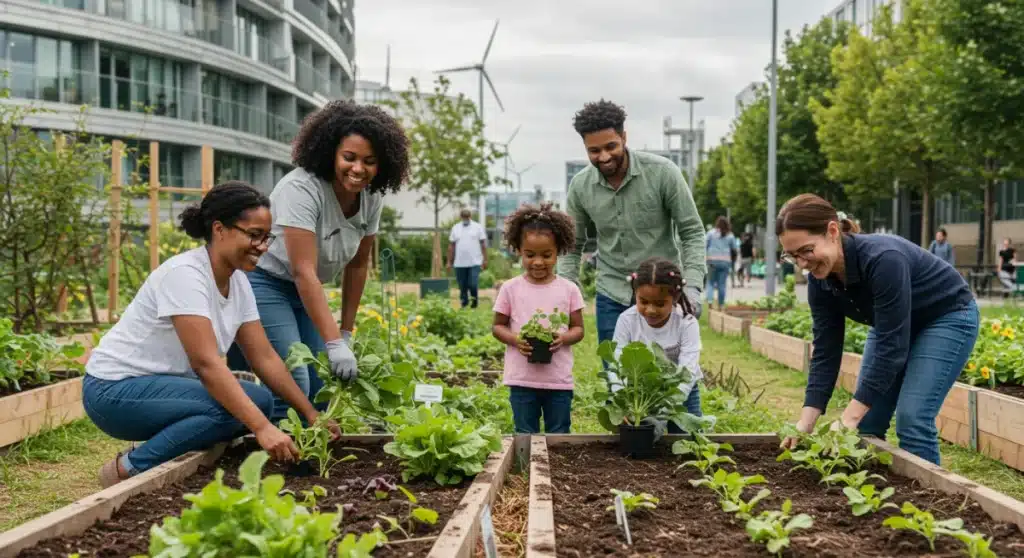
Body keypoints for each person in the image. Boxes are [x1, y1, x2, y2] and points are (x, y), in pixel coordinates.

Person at [83, 183, 337, 487]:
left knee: (258, 402)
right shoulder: (186, 275)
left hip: (159, 386)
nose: (263, 246)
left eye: (266, 237)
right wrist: (262, 428)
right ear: (219, 229)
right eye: (254, 235)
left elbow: (265, 358)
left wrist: (311, 414)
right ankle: (130, 468)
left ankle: (172, 453)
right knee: (238, 409)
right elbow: (206, 364)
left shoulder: (239, 281)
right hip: (113, 391)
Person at [227, 100, 410, 416]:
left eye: (369, 161)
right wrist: (334, 343)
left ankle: (300, 449)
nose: (358, 169)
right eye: (349, 158)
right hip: (265, 282)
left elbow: (357, 265)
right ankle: (279, 456)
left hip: (305, 291)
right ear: (331, 153)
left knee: (323, 380)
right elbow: (303, 270)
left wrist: (346, 332)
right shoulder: (301, 189)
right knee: (293, 379)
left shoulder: (372, 197)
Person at [777, 194, 978, 465]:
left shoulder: (883, 259)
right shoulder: (820, 280)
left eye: (806, 250)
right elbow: (826, 349)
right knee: (867, 421)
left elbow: (891, 345)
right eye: (793, 256)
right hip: (892, 327)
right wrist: (805, 421)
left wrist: (847, 419)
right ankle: (873, 498)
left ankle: (928, 504)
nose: (802, 264)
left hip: (946, 318)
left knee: (912, 418)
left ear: (832, 231)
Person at [558, 99, 706, 352]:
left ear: (624, 137)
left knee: (667, 375)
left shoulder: (663, 173)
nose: (603, 157)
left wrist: (692, 286)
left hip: (662, 292)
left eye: (611, 146)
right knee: (616, 376)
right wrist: (566, 290)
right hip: (612, 293)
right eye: (594, 151)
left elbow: (691, 231)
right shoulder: (581, 187)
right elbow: (572, 244)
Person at [493, 203, 585, 434]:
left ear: (559, 252)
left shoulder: (569, 289)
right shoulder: (510, 288)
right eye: (530, 254)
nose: (538, 262)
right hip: (522, 380)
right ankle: (526, 471)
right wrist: (515, 340)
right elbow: (497, 326)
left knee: (559, 433)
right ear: (518, 251)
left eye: (547, 255)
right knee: (525, 433)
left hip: (558, 381)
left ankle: (556, 471)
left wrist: (563, 338)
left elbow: (578, 329)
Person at [611, 257, 703, 426]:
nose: (651, 310)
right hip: (641, 393)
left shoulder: (687, 323)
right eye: (644, 302)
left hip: (682, 391)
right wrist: (622, 400)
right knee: (640, 439)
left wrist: (666, 407)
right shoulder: (627, 320)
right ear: (635, 294)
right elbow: (616, 362)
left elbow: (688, 371)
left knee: (689, 437)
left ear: (675, 298)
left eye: (660, 304)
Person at [447, 208, 488, 309]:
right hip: (459, 263)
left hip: (475, 262)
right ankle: (464, 305)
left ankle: (474, 303)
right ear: (461, 217)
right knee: (462, 286)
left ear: (470, 217)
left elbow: (483, 244)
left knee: (473, 284)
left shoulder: (477, 227)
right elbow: (451, 246)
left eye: (467, 217)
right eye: (464, 217)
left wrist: (485, 259)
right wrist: (449, 261)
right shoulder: (456, 228)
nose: (465, 219)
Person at [705, 216, 734, 309]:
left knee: (710, 283)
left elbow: (704, 245)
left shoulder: (710, 233)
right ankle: (721, 305)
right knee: (722, 284)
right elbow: (734, 249)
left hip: (712, 261)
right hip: (725, 262)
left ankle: (710, 301)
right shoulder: (730, 235)